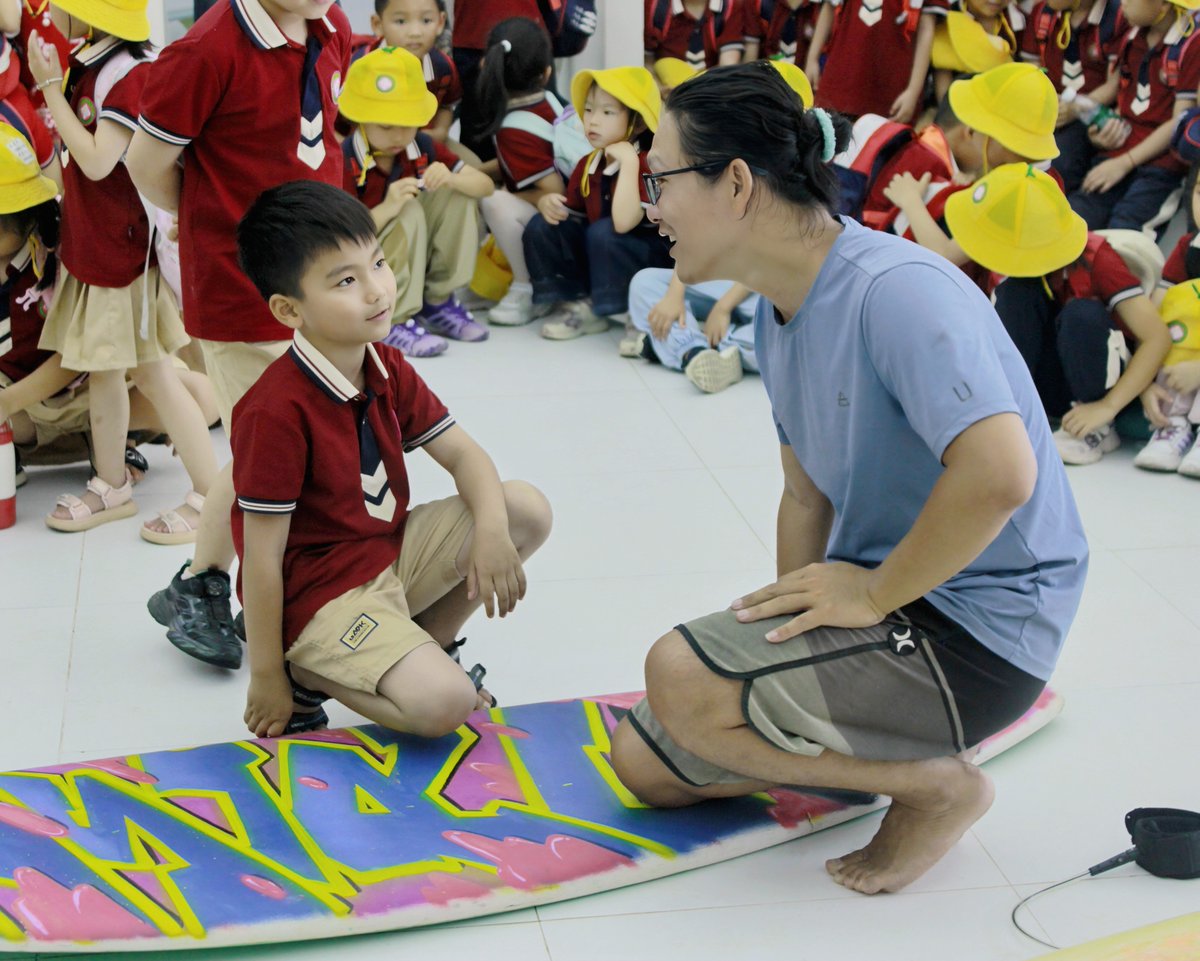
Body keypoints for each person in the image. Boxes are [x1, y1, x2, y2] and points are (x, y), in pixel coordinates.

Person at [609, 61, 1088, 897]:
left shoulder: (895, 291)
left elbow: (1000, 476)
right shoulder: (781, 306)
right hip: (895, 600)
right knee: (645, 762)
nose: (651, 205)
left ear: (736, 183)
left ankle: (936, 786)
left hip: (977, 633)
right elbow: (807, 493)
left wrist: (865, 602)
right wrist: (786, 627)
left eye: (661, 180)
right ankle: (874, 749)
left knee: (680, 676)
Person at [232, 180, 552, 738]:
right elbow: (260, 560)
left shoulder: (384, 363)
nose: (378, 289)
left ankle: (426, 643)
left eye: (377, 262)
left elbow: (464, 454)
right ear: (289, 309)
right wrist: (266, 675)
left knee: (523, 508)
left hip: (387, 552)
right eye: (346, 281)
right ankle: (308, 670)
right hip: (320, 595)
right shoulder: (274, 411)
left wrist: (494, 532)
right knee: (445, 705)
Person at [126, 0, 352, 668]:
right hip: (243, 287)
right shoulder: (208, 49)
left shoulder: (329, 24)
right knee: (275, 454)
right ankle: (256, 595)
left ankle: (201, 580)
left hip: (319, 276)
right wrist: (203, 216)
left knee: (267, 446)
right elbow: (147, 163)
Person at [26, 0, 217, 541]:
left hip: (121, 255)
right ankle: (111, 484)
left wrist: (47, 89)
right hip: (97, 249)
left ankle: (210, 491)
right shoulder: (92, 59)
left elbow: (96, 160)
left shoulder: (124, 73)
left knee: (153, 372)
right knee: (106, 371)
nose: (50, 13)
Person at [0, 124, 217, 484]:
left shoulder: (59, 254)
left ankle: (109, 444)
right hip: (26, 409)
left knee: (201, 398)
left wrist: (8, 402)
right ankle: (87, 447)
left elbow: (78, 357)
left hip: (90, 389)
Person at [946, 163, 1170, 465]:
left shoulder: (1097, 256)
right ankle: (1015, 408)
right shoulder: (1011, 268)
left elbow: (1156, 337)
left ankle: (1098, 428)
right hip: (1045, 381)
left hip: (1096, 381)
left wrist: (1106, 407)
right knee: (1015, 295)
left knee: (1081, 314)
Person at [339, 46, 494, 354]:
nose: (399, 135)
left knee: (457, 194)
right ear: (360, 120)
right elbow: (337, 237)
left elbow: (486, 185)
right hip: (360, 260)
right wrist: (388, 207)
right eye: (386, 125)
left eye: (408, 124)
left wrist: (451, 178)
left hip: (408, 248)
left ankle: (437, 302)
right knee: (408, 208)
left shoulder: (420, 145)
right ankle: (393, 319)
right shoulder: (343, 159)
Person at [522, 66, 670, 342]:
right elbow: (575, 214)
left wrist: (627, 163)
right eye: (589, 110)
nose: (592, 121)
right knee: (544, 226)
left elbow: (624, 224)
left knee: (604, 232)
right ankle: (577, 302)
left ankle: (634, 314)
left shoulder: (647, 162)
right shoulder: (589, 163)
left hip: (649, 260)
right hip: (605, 253)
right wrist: (548, 204)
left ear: (637, 123)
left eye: (607, 112)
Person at [1067, 0, 1200, 236]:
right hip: (1114, 154)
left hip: (1159, 169)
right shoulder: (1131, 34)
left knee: (1125, 235)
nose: (1123, 2)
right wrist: (1100, 131)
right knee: (1074, 219)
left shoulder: (1191, 45)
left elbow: (1180, 121)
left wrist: (1125, 162)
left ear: (1163, 5)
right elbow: (1121, 94)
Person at [474, 17, 566, 327]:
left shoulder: (514, 129)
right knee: (481, 186)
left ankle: (527, 286)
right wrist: (474, 171)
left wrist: (501, 192)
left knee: (492, 202)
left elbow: (555, 191)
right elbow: (523, 162)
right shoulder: (549, 101)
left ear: (488, 63)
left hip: (563, 225)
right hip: (581, 217)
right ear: (546, 73)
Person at [1019, 0, 1122, 194]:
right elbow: (1030, 66)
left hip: (1087, 112)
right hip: (1046, 105)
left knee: (1059, 164)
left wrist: (1075, 108)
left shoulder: (1116, 18)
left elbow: (1114, 84)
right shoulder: (1042, 12)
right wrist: (1045, 101)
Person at [626, 268, 760, 392]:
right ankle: (695, 351)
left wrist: (722, 309)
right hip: (718, 282)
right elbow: (686, 247)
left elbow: (763, 263)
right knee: (644, 283)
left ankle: (675, 346)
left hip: (760, 288)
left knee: (777, 342)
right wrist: (674, 295)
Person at [805, 0, 938, 122]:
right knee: (830, 138)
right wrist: (812, 59)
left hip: (891, 91)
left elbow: (926, 27)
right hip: (841, 79)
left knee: (882, 143)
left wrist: (913, 91)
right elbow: (829, 7)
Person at [365, 0, 461, 145]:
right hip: (372, 149)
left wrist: (441, 131)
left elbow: (445, 105)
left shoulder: (443, 67)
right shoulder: (362, 68)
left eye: (426, 20)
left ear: (441, 22)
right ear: (378, 24)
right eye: (401, 21)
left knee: (473, 163)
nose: (415, 32)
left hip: (424, 142)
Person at [1132, 280, 1200, 473]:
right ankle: (1173, 423)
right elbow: (1152, 319)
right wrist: (1144, 382)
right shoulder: (1190, 251)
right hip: (1180, 366)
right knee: (1181, 319)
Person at [643, 0, 749, 71]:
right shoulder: (654, 7)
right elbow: (646, 62)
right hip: (663, 95)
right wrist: (660, 89)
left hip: (713, 92)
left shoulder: (729, 7)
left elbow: (727, 68)